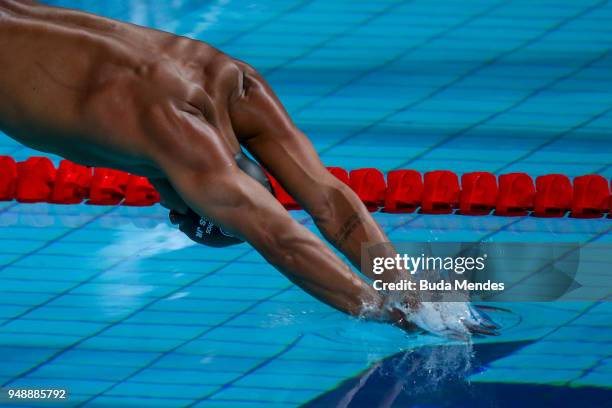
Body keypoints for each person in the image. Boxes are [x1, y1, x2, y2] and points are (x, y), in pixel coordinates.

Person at [0, 0, 497, 338]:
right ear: (200, 200)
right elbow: (280, 235)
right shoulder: (173, 136)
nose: (165, 207)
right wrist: (388, 310)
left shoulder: (231, 78)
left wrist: (408, 286)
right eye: (180, 216)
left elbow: (326, 195)